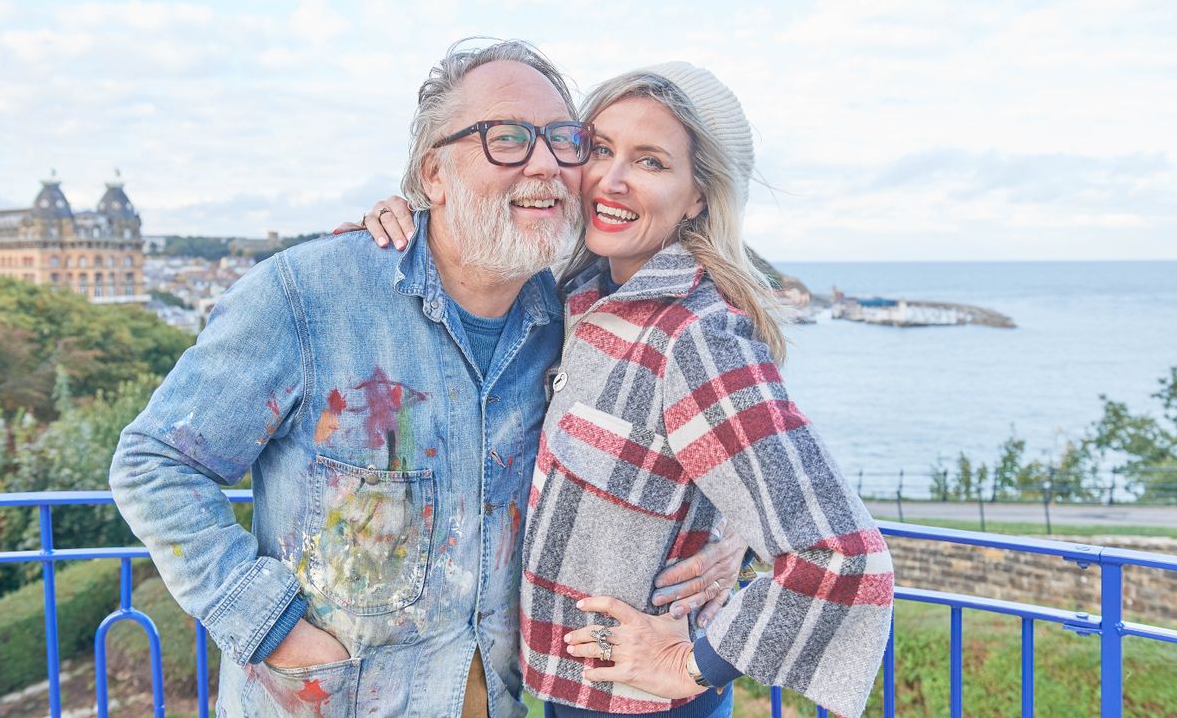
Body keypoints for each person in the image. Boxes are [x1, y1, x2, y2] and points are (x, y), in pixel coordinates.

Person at [109, 39, 741, 718]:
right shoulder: (310, 295)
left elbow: (697, 444)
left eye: (563, 140)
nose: (546, 163)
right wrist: (274, 628)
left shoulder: (571, 322)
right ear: (433, 173)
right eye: (507, 139)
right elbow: (155, 463)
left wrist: (733, 531)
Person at [354, 64, 893, 718]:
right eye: (600, 149)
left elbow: (840, 554)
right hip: (558, 693)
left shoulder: (695, 337)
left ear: (698, 195)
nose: (611, 179)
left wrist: (694, 660)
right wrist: (410, 223)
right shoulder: (572, 300)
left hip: (644, 704)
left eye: (650, 161)